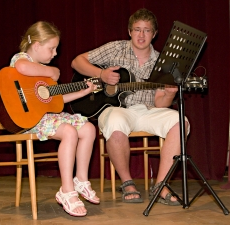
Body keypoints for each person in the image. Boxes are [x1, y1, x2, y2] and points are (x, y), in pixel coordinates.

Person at [71, 8, 189, 205]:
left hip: (148, 110)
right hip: (115, 109)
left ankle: (161, 185)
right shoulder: (115, 48)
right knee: (115, 121)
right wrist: (101, 75)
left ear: (155, 33)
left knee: (180, 122)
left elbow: (161, 103)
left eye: (147, 30)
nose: (141, 35)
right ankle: (127, 182)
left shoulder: (163, 62)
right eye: (137, 29)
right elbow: (77, 62)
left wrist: (169, 93)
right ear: (129, 31)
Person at [10, 21, 100, 217]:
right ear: (36, 45)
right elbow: (22, 66)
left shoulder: (42, 74)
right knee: (68, 131)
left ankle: (81, 179)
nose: (55, 53)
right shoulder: (23, 60)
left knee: (88, 129)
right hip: (29, 121)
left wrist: (82, 91)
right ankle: (66, 190)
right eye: (52, 48)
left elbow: (55, 101)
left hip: (47, 117)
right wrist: (51, 71)